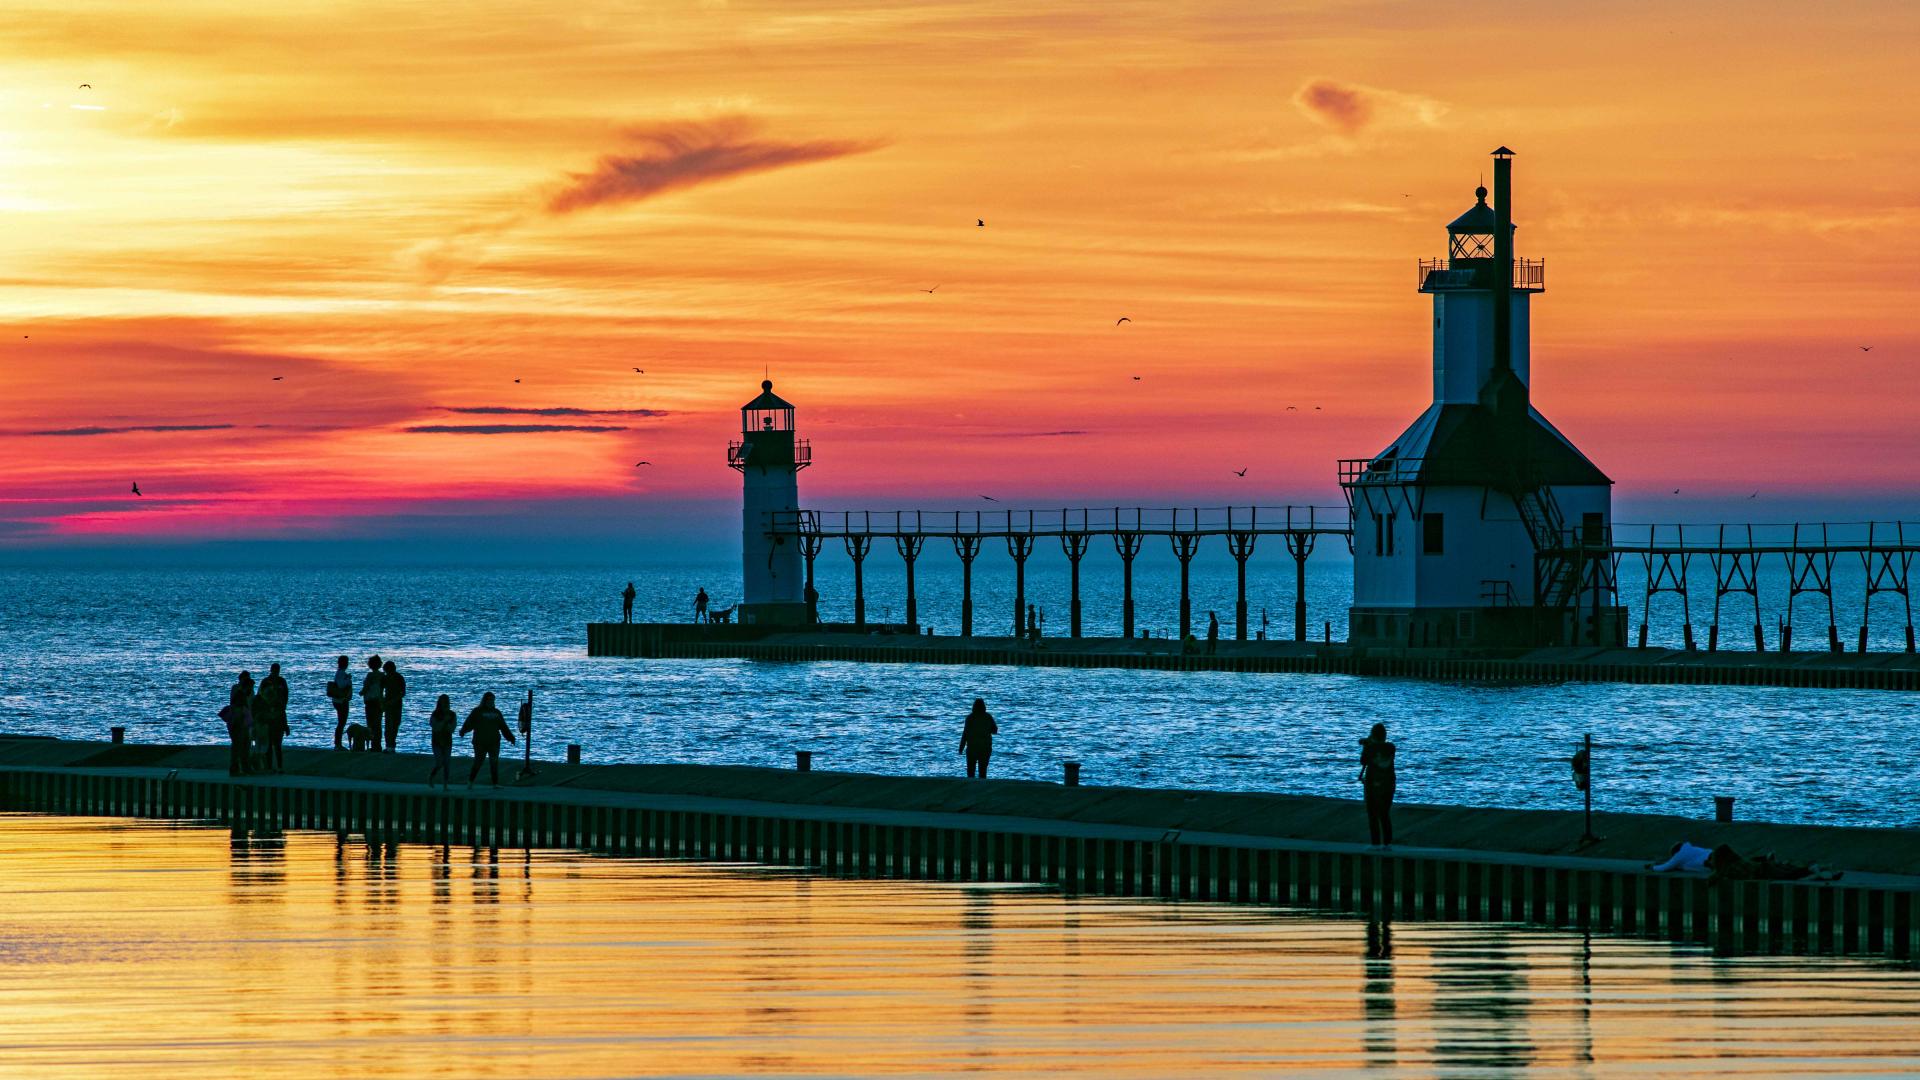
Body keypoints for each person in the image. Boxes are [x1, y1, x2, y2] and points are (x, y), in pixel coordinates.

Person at [461, 691, 516, 788]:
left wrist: (510, 737)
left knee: (494, 762)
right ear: (485, 700)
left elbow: (503, 727)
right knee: (478, 761)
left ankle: (495, 783)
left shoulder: (497, 713)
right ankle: (470, 781)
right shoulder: (477, 711)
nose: (491, 702)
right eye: (489, 700)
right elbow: (469, 722)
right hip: (480, 742)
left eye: (492, 700)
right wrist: (463, 730)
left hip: (494, 742)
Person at [1358, 722, 1397, 849]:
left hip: (1372, 785)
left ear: (1373, 735)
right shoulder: (1391, 747)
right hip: (1389, 785)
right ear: (1385, 735)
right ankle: (1387, 843)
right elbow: (1381, 747)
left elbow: (1363, 761)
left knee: (1373, 814)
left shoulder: (1369, 748)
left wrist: (1366, 744)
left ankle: (1375, 844)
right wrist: (1370, 742)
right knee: (1385, 813)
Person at [256, 662, 289, 773]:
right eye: (274, 670)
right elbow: (259, 696)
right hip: (268, 718)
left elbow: (285, 698)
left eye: (277, 670)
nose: (276, 672)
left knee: (278, 745)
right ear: (271, 670)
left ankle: (279, 766)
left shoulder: (282, 681)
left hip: (278, 716)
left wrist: (285, 724)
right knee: (269, 744)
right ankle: (269, 766)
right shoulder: (266, 682)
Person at [224, 671, 255, 777]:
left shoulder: (247, 692)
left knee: (245, 745)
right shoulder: (238, 691)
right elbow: (237, 708)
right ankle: (236, 768)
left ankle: (244, 767)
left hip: (245, 722)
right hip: (239, 723)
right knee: (238, 745)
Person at [959, 698, 998, 779]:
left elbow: (965, 734)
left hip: (972, 748)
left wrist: (961, 748)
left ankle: (970, 789)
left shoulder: (970, 718)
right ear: (984, 707)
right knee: (983, 772)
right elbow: (995, 730)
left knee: (970, 772)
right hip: (985, 748)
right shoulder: (988, 717)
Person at [427, 694, 458, 789]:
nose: (446, 704)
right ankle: (431, 777)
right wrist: (444, 721)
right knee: (439, 762)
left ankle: (445, 784)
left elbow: (452, 729)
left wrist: (447, 724)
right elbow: (435, 727)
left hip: (447, 741)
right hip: (436, 741)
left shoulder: (452, 714)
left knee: (447, 763)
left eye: (447, 702)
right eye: (444, 702)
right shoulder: (435, 714)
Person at [327, 654, 353, 749]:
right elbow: (341, 685)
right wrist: (348, 678)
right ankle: (338, 744)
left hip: (339, 700)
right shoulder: (341, 673)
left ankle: (338, 743)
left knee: (341, 722)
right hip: (341, 701)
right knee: (342, 722)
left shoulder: (340, 673)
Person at [360, 655, 385, 751]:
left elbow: (366, 688)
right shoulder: (382, 675)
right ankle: (377, 745)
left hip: (370, 702)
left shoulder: (370, 675)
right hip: (379, 701)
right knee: (378, 724)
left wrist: (361, 692)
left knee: (370, 724)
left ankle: (373, 745)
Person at [382, 660, 406, 753]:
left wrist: (392, 700)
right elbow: (381, 690)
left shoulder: (399, 678)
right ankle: (389, 745)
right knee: (390, 726)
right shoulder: (386, 678)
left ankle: (391, 745)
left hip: (395, 704)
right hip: (389, 704)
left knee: (394, 725)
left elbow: (403, 693)